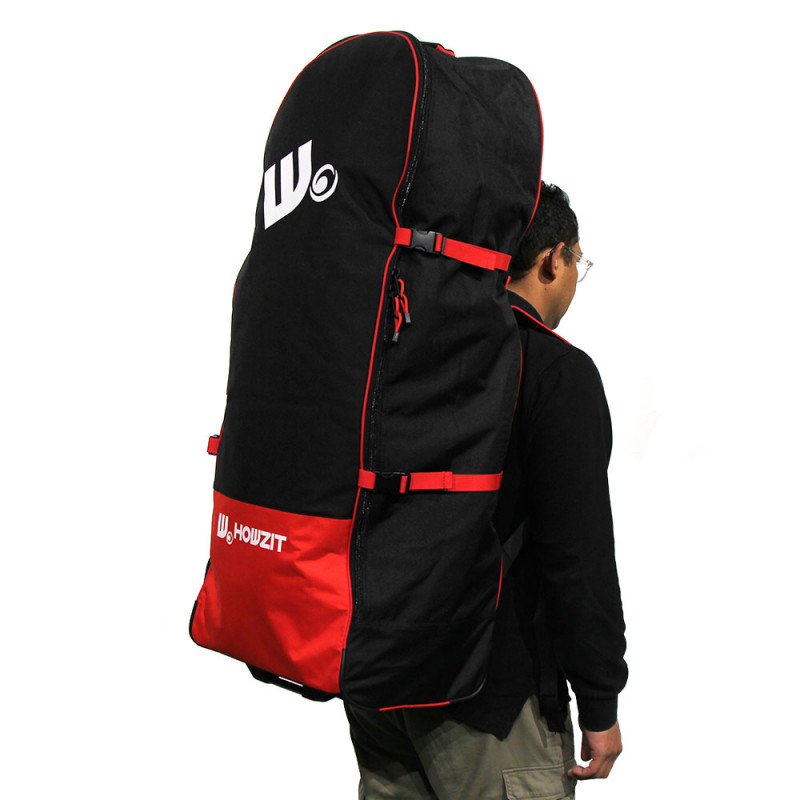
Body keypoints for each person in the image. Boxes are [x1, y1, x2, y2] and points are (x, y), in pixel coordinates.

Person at [345, 183, 627, 799]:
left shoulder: (405, 343)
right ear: (552, 259)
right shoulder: (557, 371)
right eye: (577, 260)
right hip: (491, 698)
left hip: (378, 672)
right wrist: (600, 696)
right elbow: (577, 554)